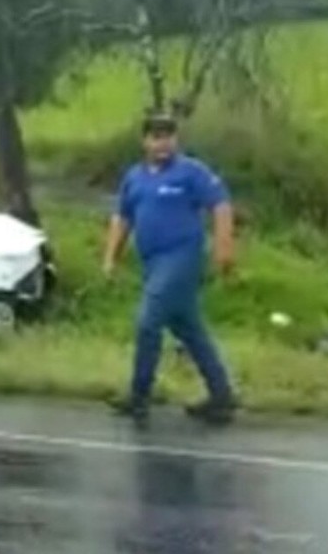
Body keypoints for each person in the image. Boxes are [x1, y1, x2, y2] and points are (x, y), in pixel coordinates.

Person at [102, 114, 238, 425]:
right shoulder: (134, 177)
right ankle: (222, 396)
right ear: (144, 141)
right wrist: (111, 257)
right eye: (156, 137)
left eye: (168, 136)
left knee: (148, 322)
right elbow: (122, 218)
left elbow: (220, 204)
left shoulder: (191, 172)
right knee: (189, 328)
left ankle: (139, 396)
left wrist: (223, 247)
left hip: (182, 257)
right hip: (152, 262)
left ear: (175, 140)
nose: (163, 143)